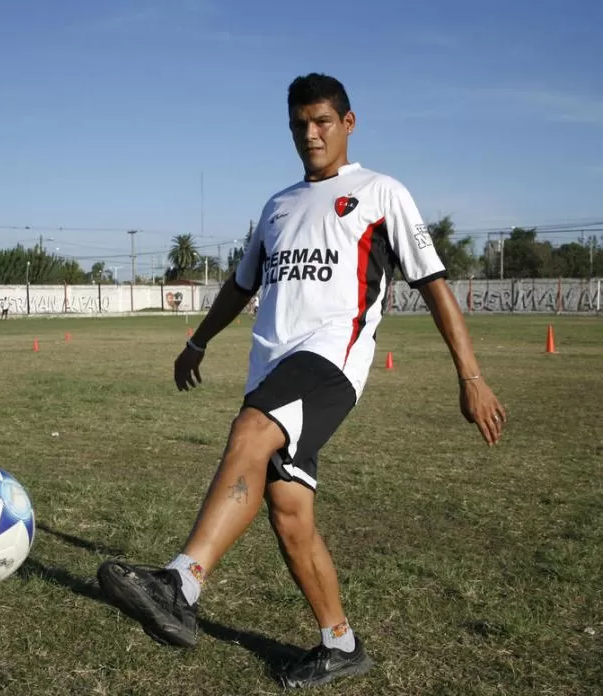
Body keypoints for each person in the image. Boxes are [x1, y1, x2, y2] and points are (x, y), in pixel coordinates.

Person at [97, 73, 507, 690]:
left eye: (321, 121)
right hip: (272, 364)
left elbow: (434, 285)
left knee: (251, 430)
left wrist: (471, 377)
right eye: (298, 124)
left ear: (348, 122)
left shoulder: (381, 193)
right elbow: (241, 286)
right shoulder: (278, 206)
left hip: (332, 360)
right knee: (289, 510)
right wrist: (197, 340)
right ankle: (340, 644)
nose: (310, 135)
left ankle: (180, 582)